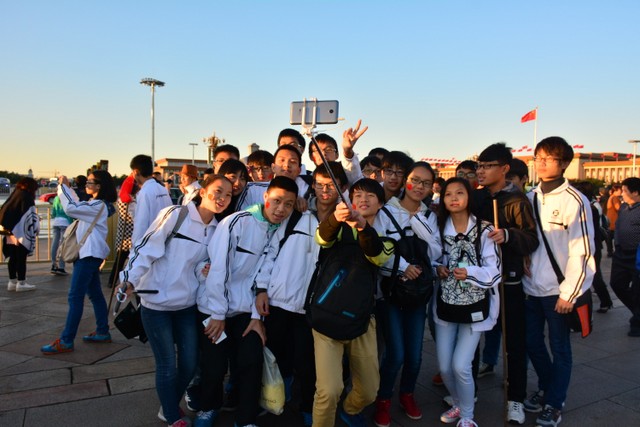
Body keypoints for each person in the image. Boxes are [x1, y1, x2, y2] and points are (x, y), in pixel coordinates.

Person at [119, 175, 233, 427]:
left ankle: (168, 404)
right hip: (156, 304)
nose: (222, 198)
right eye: (217, 191)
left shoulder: (217, 230)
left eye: (228, 194)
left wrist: (205, 269)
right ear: (202, 192)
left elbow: (200, 266)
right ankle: (172, 415)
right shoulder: (175, 215)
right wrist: (129, 280)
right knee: (167, 365)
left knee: (190, 364)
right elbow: (145, 248)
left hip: (186, 306)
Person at [198, 176, 299, 427]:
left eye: (288, 204)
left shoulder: (279, 229)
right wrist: (218, 314)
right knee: (214, 366)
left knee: (251, 361)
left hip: (246, 309)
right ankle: (208, 408)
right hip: (215, 307)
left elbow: (265, 272)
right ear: (265, 198)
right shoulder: (237, 222)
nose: (281, 209)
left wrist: (256, 317)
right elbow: (218, 269)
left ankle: (245, 419)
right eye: (277, 201)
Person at [523, 137, 595, 427]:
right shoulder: (530, 197)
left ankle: (554, 402)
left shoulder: (575, 201)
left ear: (564, 163)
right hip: (531, 288)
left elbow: (583, 251)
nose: (541, 163)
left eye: (549, 158)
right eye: (538, 157)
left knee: (560, 348)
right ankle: (548, 386)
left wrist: (569, 294)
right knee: (531, 342)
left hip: (559, 292)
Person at [312, 178, 394, 427]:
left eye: (370, 196)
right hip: (326, 317)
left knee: (369, 390)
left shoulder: (387, 239)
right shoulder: (337, 229)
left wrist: (362, 227)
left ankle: (350, 409)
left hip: (362, 321)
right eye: (357, 195)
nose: (363, 200)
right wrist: (335, 219)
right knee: (328, 391)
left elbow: (377, 255)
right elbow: (321, 239)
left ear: (381, 204)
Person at [473, 143, 539, 425]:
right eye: (479, 166)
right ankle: (468, 393)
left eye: (488, 166)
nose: (481, 171)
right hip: (478, 280)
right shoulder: (475, 198)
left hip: (508, 282)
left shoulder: (516, 200)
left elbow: (531, 239)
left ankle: (515, 399)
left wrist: (509, 236)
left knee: (514, 343)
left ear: (504, 169)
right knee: (472, 338)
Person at [254, 171, 326, 426]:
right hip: (278, 301)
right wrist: (262, 289)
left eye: (332, 186)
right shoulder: (294, 217)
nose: (325, 191)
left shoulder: (335, 222)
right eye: (320, 186)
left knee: (307, 362)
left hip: (309, 306)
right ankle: (276, 399)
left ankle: (307, 406)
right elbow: (270, 253)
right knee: (276, 356)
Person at [373, 161, 442, 427]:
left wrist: (420, 225)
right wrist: (403, 267)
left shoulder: (430, 216)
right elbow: (378, 249)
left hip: (418, 293)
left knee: (415, 354)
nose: (419, 187)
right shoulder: (385, 211)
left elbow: (435, 253)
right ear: (405, 181)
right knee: (396, 354)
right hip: (391, 292)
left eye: (426, 183)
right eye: (415, 180)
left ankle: (407, 394)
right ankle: (383, 400)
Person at [434, 177, 501, 427]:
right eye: (448, 194)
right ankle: (458, 403)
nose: (454, 198)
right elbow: (431, 258)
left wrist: (470, 273)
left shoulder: (485, 230)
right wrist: (438, 268)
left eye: (459, 192)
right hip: (446, 305)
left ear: (469, 197)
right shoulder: (438, 227)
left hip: (475, 306)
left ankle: (468, 416)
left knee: (461, 365)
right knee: (444, 366)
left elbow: (495, 271)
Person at [40, 170, 118, 355]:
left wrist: (63, 187)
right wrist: (67, 189)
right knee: (95, 295)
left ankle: (66, 340)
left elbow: (71, 208)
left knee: (75, 297)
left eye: (90, 182)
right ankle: (102, 331)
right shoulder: (97, 204)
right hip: (91, 255)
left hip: (88, 256)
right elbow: (75, 203)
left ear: (99, 186)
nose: (86, 184)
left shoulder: (97, 205)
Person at [573, 181, 614, 314]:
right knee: (594, 276)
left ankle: (604, 302)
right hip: (592, 245)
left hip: (591, 246)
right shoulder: (590, 207)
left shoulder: (589, 208)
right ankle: (605, 302)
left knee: (593, 276)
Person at [609, 177, 640, 337]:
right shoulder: (623, 208)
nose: (622, 194)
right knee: (616, 284)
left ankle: (637, 323)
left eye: (625, 191)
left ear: (635, 192)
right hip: (621, 254)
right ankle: (637, 312)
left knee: (637, 291)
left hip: (636, 256)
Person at [0, 177, 40, 292]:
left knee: (13, 257)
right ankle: (21, 282)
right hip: (21, 231)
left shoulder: (15, 194)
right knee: (21, 257)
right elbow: (30, 216)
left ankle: (12, 282)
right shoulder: (27, 197)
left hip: (10, 230)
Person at [129, 154, 172, 246]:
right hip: (166, 242)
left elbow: (141, 224)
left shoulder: (144, 192)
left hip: (149, 245)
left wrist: (135, 247)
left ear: (136, 172)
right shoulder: (163, 189)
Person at [50, 194, 72, 275]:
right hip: (65, 222)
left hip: (56, 221)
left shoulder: (56, 197)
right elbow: (69, 212)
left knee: (54, 244)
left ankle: (53, 265)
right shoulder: (68, 197)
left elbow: (53, 212)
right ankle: (61, 267)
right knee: (63, 245)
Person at [606, 184, 622, 257]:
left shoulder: (611, 197)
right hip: (614, 221)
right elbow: (618, 208)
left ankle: (610, 251)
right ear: (616, 190)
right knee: (616, 238)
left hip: (610, 220)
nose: (621, 192)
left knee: (609, 238)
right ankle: (615, 252)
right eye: (620, 190)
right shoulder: (615, 198)